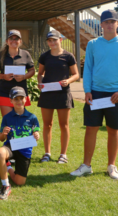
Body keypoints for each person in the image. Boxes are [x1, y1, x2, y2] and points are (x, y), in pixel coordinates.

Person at [71, 10, 118, 179]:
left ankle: (111, 166)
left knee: (114, 131)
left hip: (115, 95)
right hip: (95, 94)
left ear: (117, 24)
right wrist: (87, 90)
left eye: (113, 21)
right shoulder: (93, 44)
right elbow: (88, 68)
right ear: (101, 25)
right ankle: (86, 165)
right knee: (91, 129)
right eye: (107, 22)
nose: (110, 24)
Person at [37, 30, 79, 164]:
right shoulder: (44, 56)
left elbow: (76, 74)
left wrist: (68, 81)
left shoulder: (68, 56)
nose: (52, 42)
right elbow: (40, 73)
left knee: (64, 125)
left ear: (60, 40)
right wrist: (39, 82)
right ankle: (47, 153)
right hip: (48, 93)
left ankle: (63, 154)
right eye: (50, 40)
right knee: (47, 124)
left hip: (63, 94)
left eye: (54, 40)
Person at [0, 86, 40, 200]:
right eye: (16, 99)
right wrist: (3, 134)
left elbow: (36, 133)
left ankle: (8, 166)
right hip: (11, 146)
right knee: (0, 153)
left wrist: (36, 135)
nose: (19, 101)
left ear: (26, 99)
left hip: (25, 150)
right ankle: (5, 185)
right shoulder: (7, 118)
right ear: (11, 101)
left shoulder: (32, 117)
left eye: (21, 98)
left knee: (20, 182)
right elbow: (1, 139)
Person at [0, 30, 35, 116]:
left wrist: (24, 77)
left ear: (20, 41)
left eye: (16, 39)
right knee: (8, 121)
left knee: (19, 120)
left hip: (20, 93)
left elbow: (32, 71)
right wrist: (3, 76)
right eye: (11, 38)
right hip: (4, 92)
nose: (14, 41)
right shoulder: (1, 55)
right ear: (7, 41)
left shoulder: (25, 54)